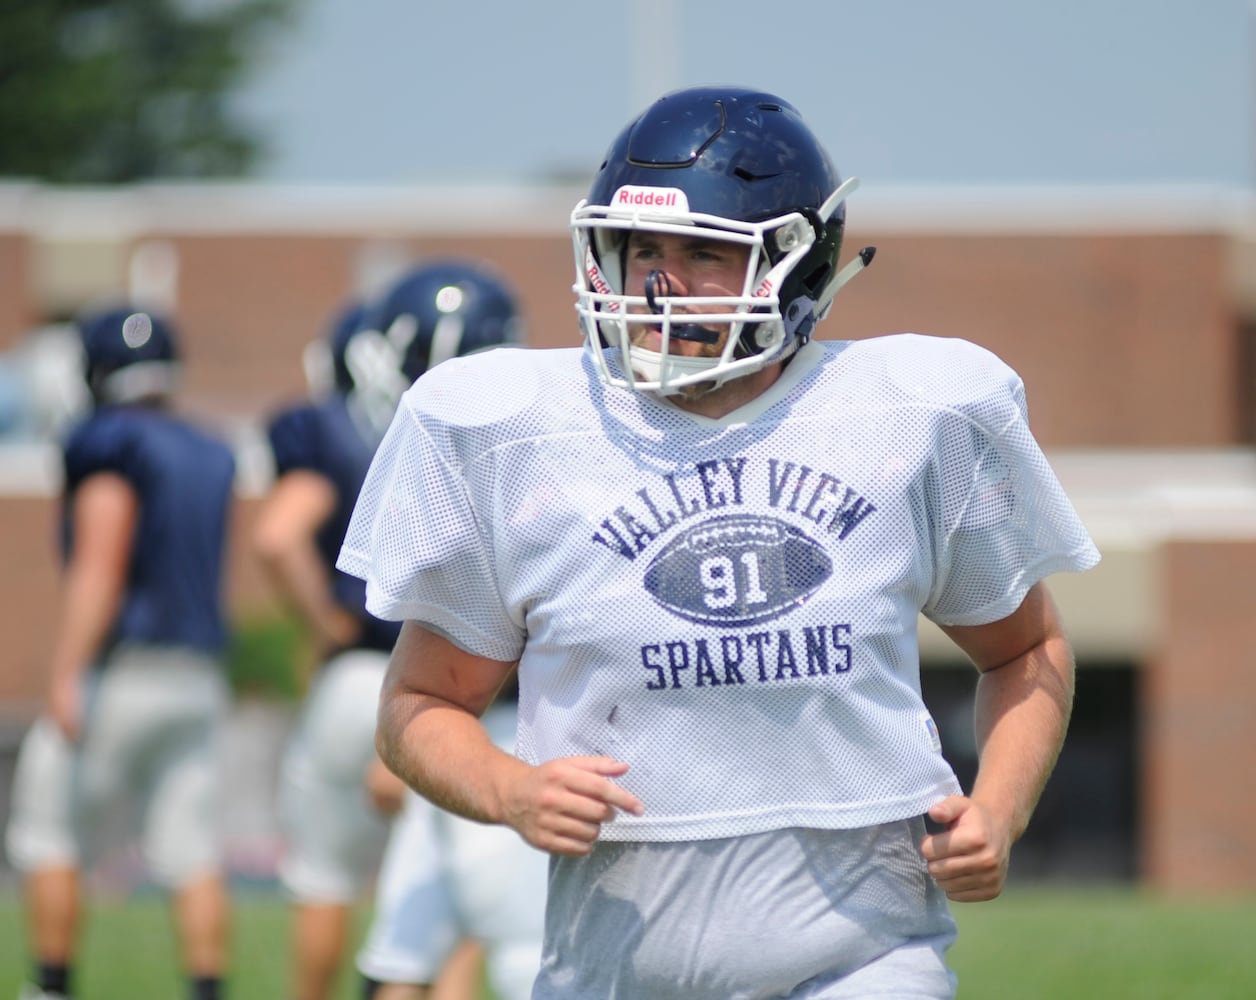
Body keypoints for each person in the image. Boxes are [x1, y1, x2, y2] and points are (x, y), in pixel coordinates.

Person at [337, 85, 1101, 1000]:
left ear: (797, 262)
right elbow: (418, 704)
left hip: (866, 958)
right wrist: (509, 789)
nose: (661, 282)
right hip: (613, 969)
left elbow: (1026, 648)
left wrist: (1000, 810)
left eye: (705, 252)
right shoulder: (511, 434)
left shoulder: (912, 412)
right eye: (641, 249)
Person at [254, 263, 534, 1000]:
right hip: (469, 704)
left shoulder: (360, 432)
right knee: (453, 916)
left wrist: (330, 632)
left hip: (406, 691)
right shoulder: (514, 449)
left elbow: (276, 536)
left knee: (356, 890)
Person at [5, 304, 237, 1000]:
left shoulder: (110, 443)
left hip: (125, 672)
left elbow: (101, 561)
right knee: (190, 850)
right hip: (197, 678)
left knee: (48, 833)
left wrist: (67, 669)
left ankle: (50, 988)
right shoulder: (208, 446)